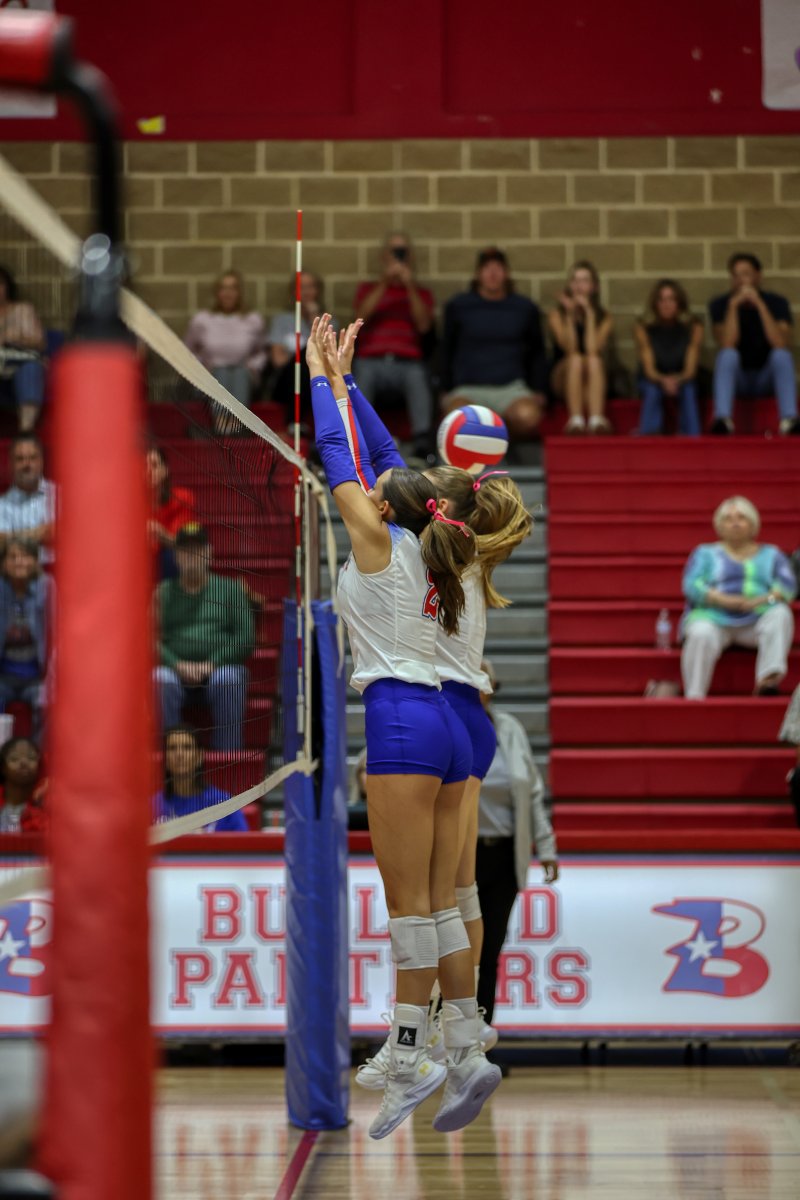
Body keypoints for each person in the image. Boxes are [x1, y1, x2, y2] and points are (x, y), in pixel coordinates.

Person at [307, 314, 500, 1139]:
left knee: (411, 904)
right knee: (445, 897)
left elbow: (342, 457)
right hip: (453, 721)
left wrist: (320, 380)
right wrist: (346, 381)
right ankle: (462, 1042)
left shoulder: (383, 541)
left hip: (403, 719)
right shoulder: (445, 544)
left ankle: (415, 1049)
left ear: (392, 505)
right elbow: (385, 463)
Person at [474, 660, 558, 1026]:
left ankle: (480, 1038)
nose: (480, 687)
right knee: (456, 951)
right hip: (460, 857)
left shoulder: (510, 729)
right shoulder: (448, 728)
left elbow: (531, 794)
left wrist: (546, 846)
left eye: (486, 681)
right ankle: (444, 1037)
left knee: (490, 950)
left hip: (505, 857)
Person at [681, 496, 796, 699]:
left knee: (780, 613)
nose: (735, 523)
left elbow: (788, 586)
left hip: (757, 615)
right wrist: (722, 600)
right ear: (719, 525)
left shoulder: (771, 554)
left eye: (741, 517)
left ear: (753, 524)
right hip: (713, 616)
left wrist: (760, 600)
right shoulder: (705, 553)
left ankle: (768, 681)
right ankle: (694, 696)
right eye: (728, 518)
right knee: (700, 633)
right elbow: (691, 585)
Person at [153, 523, 254, 751]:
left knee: (228, 679)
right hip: (174, 673)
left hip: (219, 670)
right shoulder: (162, 593)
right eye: (185, 550)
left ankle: (227, 757)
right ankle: (167, 757)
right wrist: (175, 664)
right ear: (176, 556)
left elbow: (246, 637)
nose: (191, 556)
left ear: (209, 553)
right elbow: (149, 641)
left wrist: (213, 663)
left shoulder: (231, 590)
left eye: (197, 549)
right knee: (159, 679)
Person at [441, 248, 546, 443]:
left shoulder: (524, 308)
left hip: (511, 389)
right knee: (456, 418)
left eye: (498, 267)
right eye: (487, 268)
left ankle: (501, 444)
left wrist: (539, 389)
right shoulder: (459, 306)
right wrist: (444, 387)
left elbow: (537, 351)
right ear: (478, 274)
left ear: (506, 273)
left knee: (528, 415)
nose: (493, 273)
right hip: (468, 388)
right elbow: (447, 348)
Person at [353, 232, 436, 461]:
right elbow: (360, 318)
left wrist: (409, 285)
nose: (399, 257)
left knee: (417, 376)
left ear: (411, 257)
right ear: (384, 256)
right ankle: (359, 441)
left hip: (407, 361)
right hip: (371, 360)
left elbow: (424, 325)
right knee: (362, 375)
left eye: (403, 252)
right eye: (394, 251)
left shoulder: (421, 293)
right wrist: (385, 282)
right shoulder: (368, 289)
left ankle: (422, 440)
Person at [708, 253, 800, 435]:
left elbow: (780, 342)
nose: (741, 280)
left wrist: (760, 305)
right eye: (736, 275)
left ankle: (789, 419)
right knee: (728, 355)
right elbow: (727, 343)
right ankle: (723, 419)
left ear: (758, 276)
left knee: (781, 355)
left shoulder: (777, 303)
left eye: (746, 274)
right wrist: (733, 307)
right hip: (739, 379)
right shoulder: (720, 304)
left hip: (766, 378)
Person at [184, 270, 266, 429]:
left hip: (243, 374)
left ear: (239, 292)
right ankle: (221, 423)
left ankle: (236, 423)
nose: (228, 293)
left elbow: (261, 352)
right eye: (223, 288)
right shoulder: (202, 320)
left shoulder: (253, 320)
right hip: (211, 376)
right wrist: (203, 367)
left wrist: (253, 366)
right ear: (217, 293)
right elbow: (188, 351)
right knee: (221, 371)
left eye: (233, 288)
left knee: (239, 373)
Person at [548, 260, 614, 434]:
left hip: (590, 381)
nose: (579, 286)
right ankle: (575, 420)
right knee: (576, 359)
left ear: (594, 286)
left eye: (585, 281)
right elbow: (569, 348)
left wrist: (590, 315)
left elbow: (593, 349)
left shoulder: (604, 317)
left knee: (593, 360)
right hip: (564, 376)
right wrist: (570, 316)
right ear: (569, 285)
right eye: (575, 280)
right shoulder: (557, 315)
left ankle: (596, 420)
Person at [0, 538, 52, 744]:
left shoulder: (46, 587)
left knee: (48, 702)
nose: (19, 562)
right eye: (12, 557)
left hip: (37, 677)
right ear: (3, 563)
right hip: (3, 676)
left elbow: (57, 634)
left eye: (25, 556)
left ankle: (36, 755)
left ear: (36, 561)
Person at [635, 279, 703, 436]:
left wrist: (677, 379)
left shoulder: (694, 327)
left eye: (671, 299)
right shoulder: (643, 327)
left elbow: (690, 370)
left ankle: (692, 437)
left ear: (679, 303)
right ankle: (649, 435)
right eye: (662, 300)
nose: (666, 304)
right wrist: (663, 380)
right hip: (652, 378)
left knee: (689, 389)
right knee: (652, 389)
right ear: (655, 304)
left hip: (683, 377)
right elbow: (649, 369)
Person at [153, 725, 248, 832]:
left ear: (199, 756)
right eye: (172, 748)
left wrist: (204, 838)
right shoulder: (152, 806)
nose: (179, 754)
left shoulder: (225, 804)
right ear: (165, 758)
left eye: (187, 747)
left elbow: (242, 841)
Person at [267, 270, 333, 420]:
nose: (306, 292)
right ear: (293, 291)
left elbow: (329, 360)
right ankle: (294, 421)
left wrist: (314, 318)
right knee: (305, 355)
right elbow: (278, 360)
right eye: (301, 287)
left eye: (310, 287)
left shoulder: (328, 322)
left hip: (318, 381)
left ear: (318, 290)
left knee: (309, 355)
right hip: (286, 382)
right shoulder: (282, 320)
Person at [0, 265, 46, 434]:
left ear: (7, 286)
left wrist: (13, 339)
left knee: (30, 368)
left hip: (19, 360)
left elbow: (39, 343)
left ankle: (25, 433)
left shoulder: (23, 309)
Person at [0, 436, 55, 565]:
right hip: (16, 574)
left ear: (41, 461)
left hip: (57, 569)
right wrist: (40, 533)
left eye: (32, 458)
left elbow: (61, 531)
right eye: (20, 459)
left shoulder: (61, 496)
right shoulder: (1, 504)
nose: (27, 464)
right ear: (10, 464)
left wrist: (11, 537)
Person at [146, 445, 197, 580]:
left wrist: (161, 534)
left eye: (154, 465)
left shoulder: (183, 498)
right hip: (142, 561)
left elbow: (183, 543)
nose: (148, 471)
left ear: (165, 470)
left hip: (168, 562)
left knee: (172, 555)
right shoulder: (130, 503)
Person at [0, 736, 47, 833]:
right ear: (3, 767)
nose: (23, 763)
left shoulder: (47, 803)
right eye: (14, 758)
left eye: (31, 758)